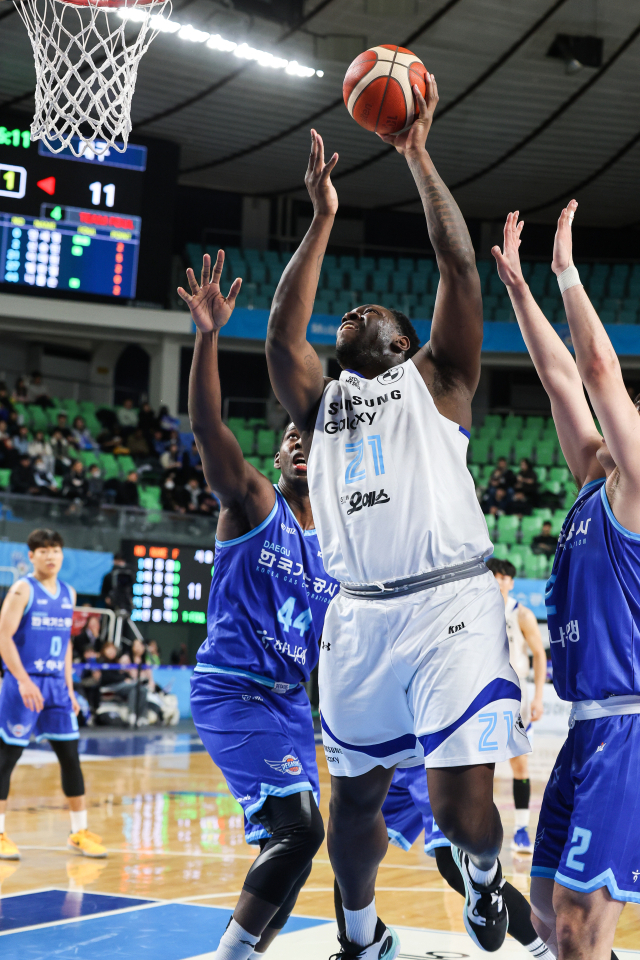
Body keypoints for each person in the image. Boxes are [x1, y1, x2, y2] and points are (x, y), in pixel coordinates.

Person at [265, 77, 530, 958]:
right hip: (357, 616)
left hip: (450, 605)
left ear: (406, 340)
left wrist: (416, 155)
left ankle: (485, 881)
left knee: (461, 813)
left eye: (371, 311)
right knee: (355, 800)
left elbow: (458, 266)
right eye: (348, 314)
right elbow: (278, 335)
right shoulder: (320, 402)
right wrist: (321, 218)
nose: (354, 309)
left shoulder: (439, 384)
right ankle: (357, 936)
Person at [178, 251, 335, 960]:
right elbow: (210, 430)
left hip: (288, 707)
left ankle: (245, 953)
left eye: (312, 436)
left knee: (299, 845)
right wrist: (209, 336)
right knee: (299, 829)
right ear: (276, 459)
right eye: (289, 437)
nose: (300, 440)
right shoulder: (254, 505)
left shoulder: (343, 546)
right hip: (233, 692)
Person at [492, 199, 638, 959]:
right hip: (587, 728)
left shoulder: (638, 485)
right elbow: (559, 378)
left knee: (581, 928)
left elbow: (596, 368)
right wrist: (519, 288)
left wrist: (567, 276)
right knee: (549, 919)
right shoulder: (593, 479)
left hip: (632, 725)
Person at [333, 764, 553, 959]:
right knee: (353, 851)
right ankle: (360, 948)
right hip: (391, 753)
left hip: (429, 751)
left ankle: (550, 952)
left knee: (451, 863)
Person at [0, 528, 106, 859]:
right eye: (43, 550)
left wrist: (70, 689)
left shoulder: (69, 593)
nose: (50, 555)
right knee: (7, 759)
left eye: (56, 549)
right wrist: (22, 680)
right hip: (24, 683)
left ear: (62, 554)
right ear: (31, 556)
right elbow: (4, 637)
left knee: (70, 756)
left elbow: (66, 646)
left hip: (56, 687)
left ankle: (78, 832)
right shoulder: (22, 589)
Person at [486, 559, 546, 853]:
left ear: (511, 582)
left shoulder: (521, 614)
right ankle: (476, 831)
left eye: (503, 576)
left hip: (515, 694)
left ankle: (521, 828)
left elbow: (539, 654)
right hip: (482, 694)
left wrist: (538, 697)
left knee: (518, 762)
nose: (498, 580)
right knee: (478, 763)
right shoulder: (476, 613)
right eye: (494, 575)